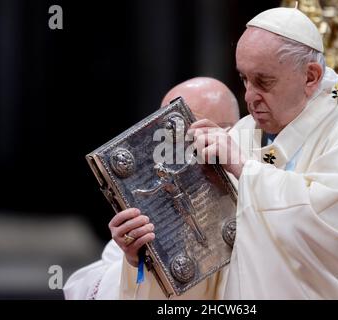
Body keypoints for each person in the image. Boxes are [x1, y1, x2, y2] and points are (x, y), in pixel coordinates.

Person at [189, 7, 338, 299]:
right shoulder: (244, 133)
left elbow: (336, 225)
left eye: (263, 82)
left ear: (311, 76)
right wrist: (149, 252)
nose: (249, 97)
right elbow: (214, 246)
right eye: (244, 80)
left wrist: (244, 169)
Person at [63, 77, 239, 299]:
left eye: (190, 129)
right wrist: (136, 261)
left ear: (229, 133)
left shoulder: (254, 191)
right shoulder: (151, 212)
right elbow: (83, 287)